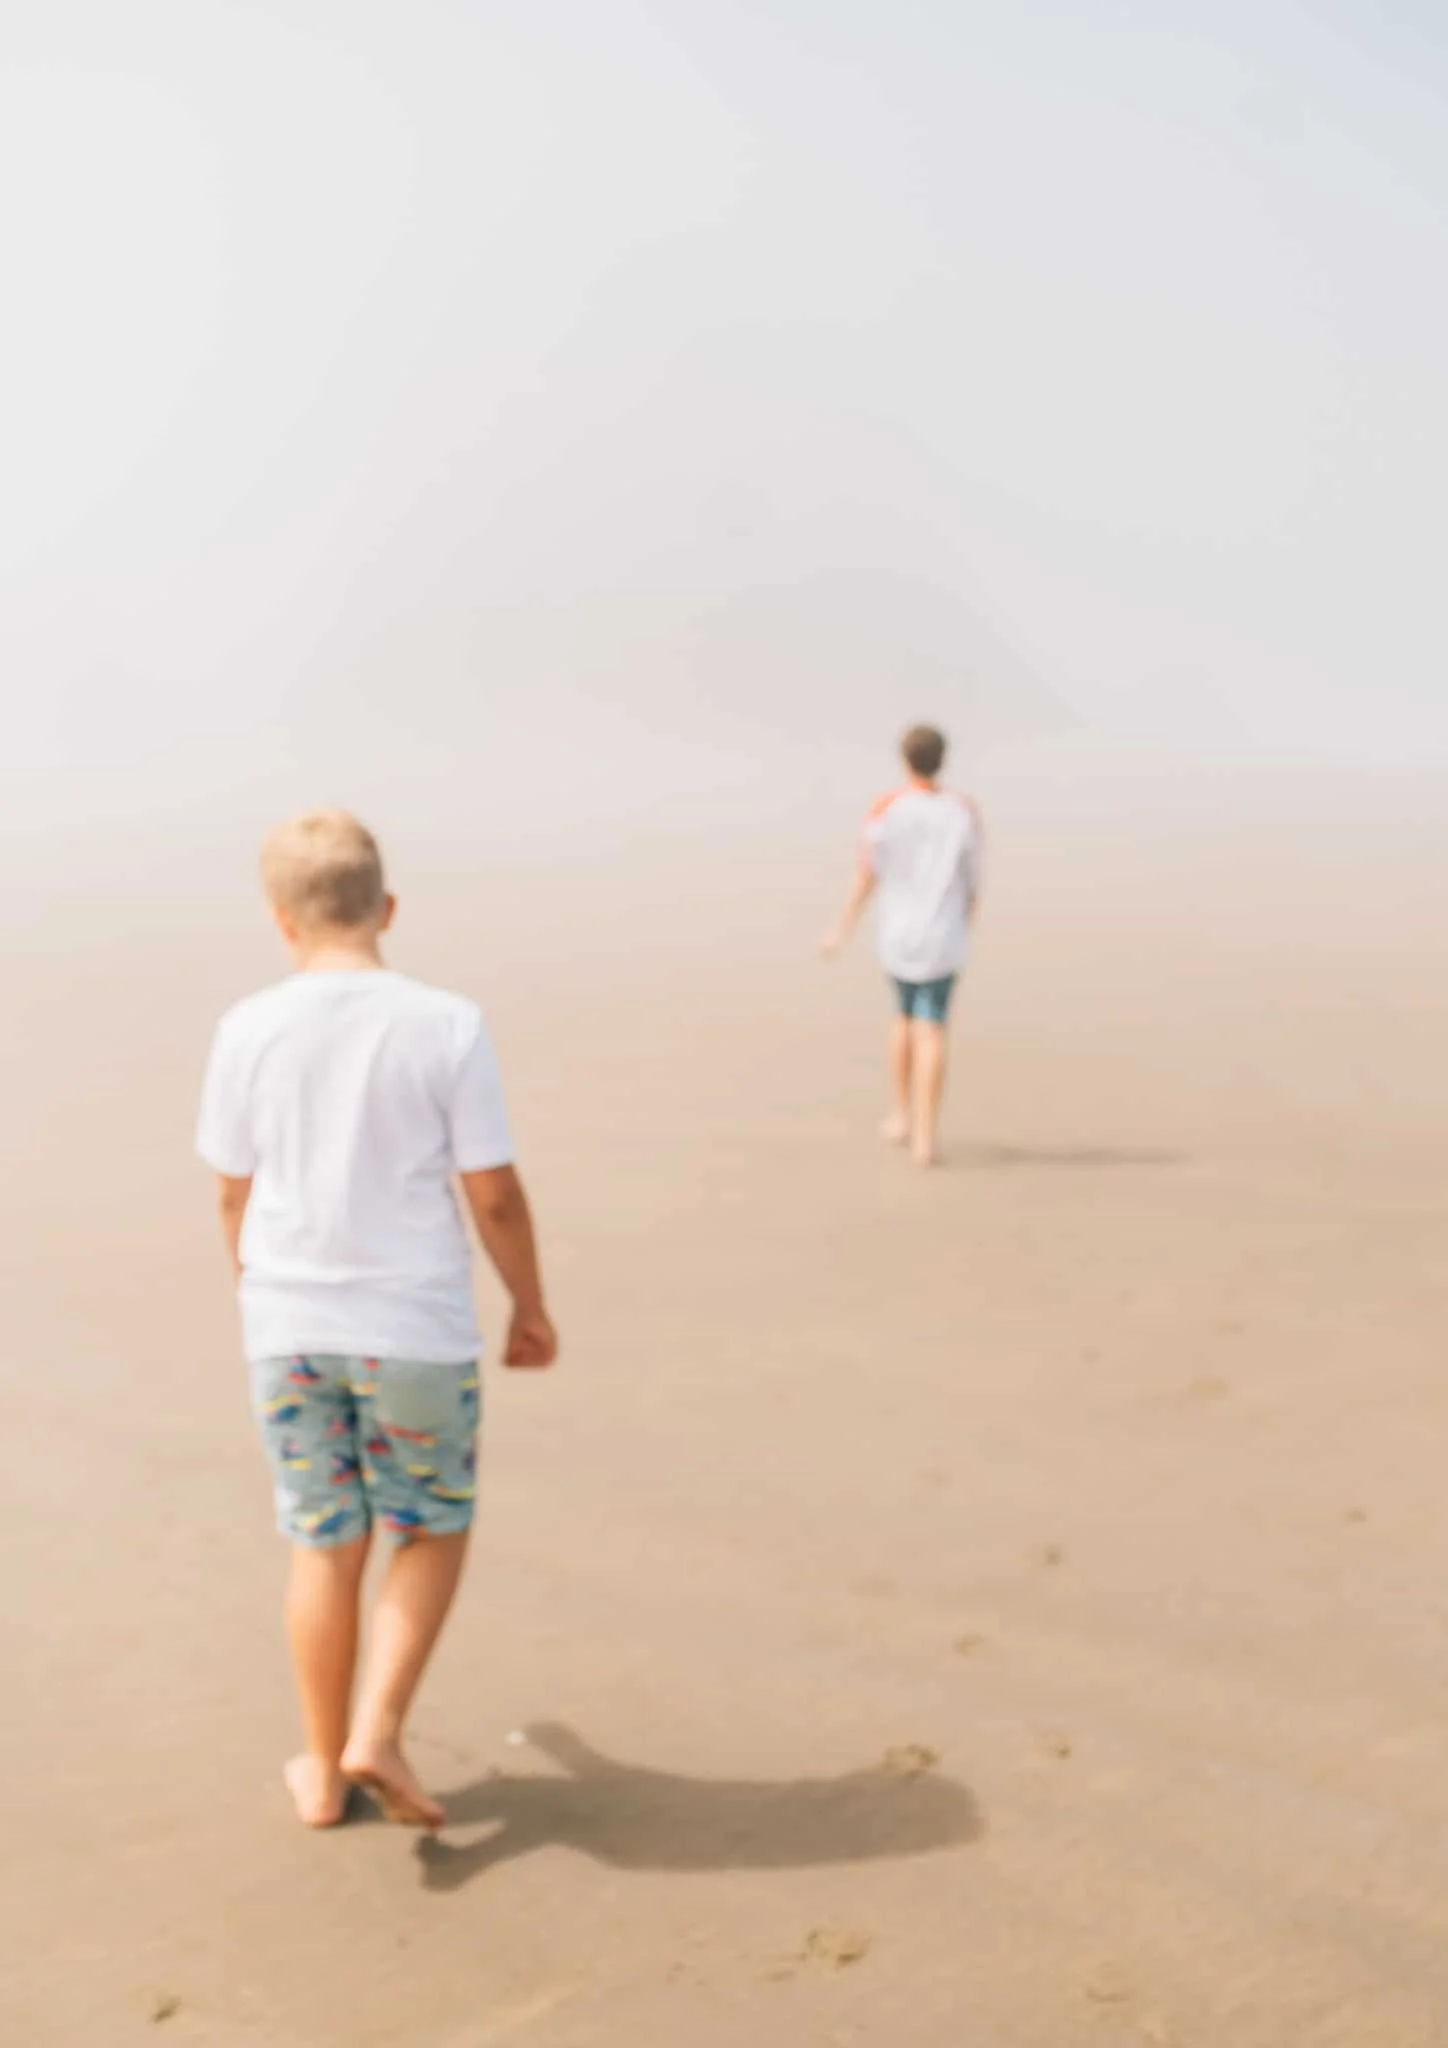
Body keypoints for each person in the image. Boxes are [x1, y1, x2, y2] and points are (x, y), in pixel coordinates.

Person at [196, 810, 558, 1831]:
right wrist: (528, 1304)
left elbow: (234, 1188)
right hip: (413, 1326)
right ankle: (378, 1728)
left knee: (323, 1542)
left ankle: (319, 1766)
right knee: (430, 1521)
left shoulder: (245, 1028)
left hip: (288, 1322)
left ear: (280, 921)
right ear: (387, 907)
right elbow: (491, 1189)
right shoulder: (444, 1020)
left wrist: (255, 1289)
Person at [822, 725, 983, 1167]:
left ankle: (901, 1115)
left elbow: (867, 873)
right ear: (942, 759)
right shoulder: (963, 811)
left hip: (899, 933)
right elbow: (972, 884)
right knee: (932, 1028)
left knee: (903, 1016)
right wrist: (965, 926)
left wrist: (842, 928)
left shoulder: (886, 808)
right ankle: (927, 1138)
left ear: (904, 759)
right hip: (945, 935)